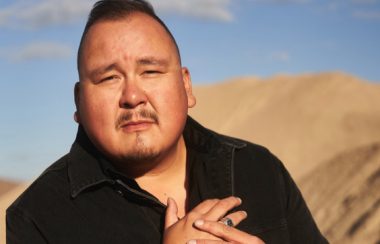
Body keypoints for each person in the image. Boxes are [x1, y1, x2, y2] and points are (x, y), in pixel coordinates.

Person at [6, 0, 328, 243]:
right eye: (108, 78)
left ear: (186, 87)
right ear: (78, 102)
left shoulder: (259, 169)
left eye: (151, 71)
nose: (132, 95)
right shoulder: (38, 218)